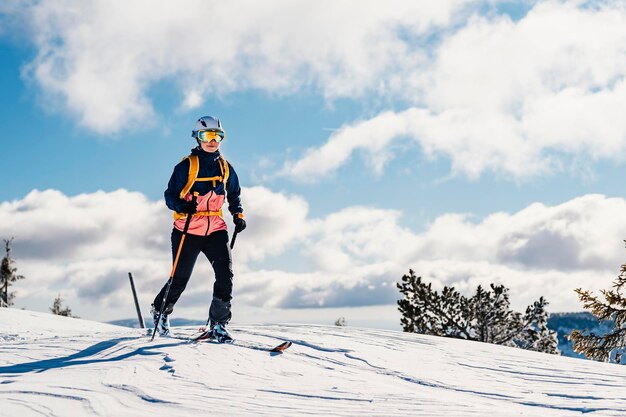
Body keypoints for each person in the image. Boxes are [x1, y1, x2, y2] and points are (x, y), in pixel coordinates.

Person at [151, 115, 246, 342]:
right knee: (180, 278)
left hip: (215, 229)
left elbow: (234, 194)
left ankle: (219, 324)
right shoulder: (186, 166)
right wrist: (182, 205)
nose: (212, 141)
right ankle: (160, 311)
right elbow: (169, 195)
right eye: (207, 135)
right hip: (187, 229)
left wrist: (238, 214)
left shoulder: (226, 168)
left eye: (217, 136)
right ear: (197, 137)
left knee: (225, 275)